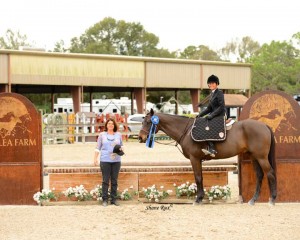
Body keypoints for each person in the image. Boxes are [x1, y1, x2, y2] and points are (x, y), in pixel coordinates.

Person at [94, 117, 124, 207]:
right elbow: (97, 147)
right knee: (105, 180)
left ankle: (114, 199)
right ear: (106, 125)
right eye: (109, 123)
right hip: (105, 160)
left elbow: (122, 146)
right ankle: (105, 199)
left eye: (112, 123)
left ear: (114, 125)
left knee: (114, 180)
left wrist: (120, 149)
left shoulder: (118, 135)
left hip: (116, 160)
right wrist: (95, 158)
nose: (110, 125)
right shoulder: (102, 135)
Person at [197, 74, 226, 157]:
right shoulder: (212, 94)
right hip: (214, 115)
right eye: (209, 83)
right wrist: (199, 115)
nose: (211, 85)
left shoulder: (219, 93)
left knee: (207, 125)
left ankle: (212, 148)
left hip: (220, 115)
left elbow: (221, 107)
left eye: (213, 83)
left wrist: (212, 115)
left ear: (217, 84)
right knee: (203, 122)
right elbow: (208, 108)